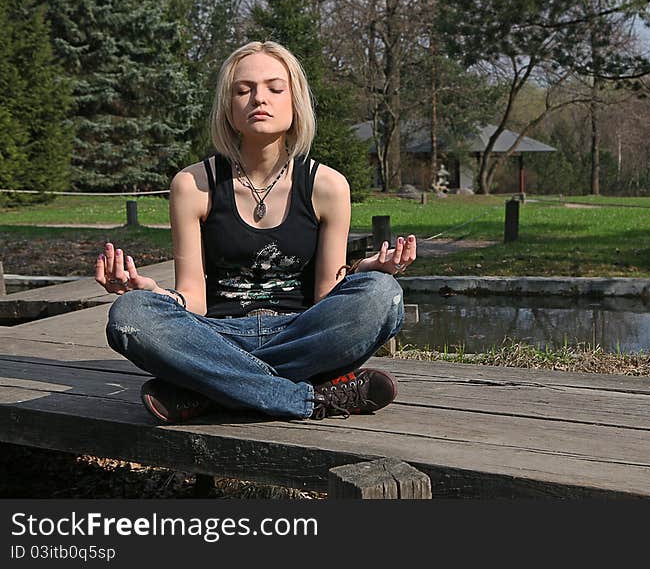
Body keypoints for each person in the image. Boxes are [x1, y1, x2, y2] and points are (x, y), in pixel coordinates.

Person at [95, 40, 416, 424]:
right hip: (217, 336)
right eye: (243, 90)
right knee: (131, 314)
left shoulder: (327, 185)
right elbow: (193, 300)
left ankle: (211, 391)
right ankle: (305, 398)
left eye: (274, 88)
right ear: (227, 108)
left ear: (295, 102)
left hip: (301, 334)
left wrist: (366, 270)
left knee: (384, 295)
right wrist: (153, 293)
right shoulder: (192, 184)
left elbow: (326, 297)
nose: (258, 99)